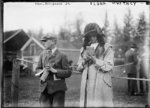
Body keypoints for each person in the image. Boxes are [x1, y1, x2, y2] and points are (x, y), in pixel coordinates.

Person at [77, 23, 114, 107]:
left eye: (94, 35)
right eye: (89, 36)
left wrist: (95, 60)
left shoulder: (107, 47)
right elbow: (78, 68)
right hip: (87, 83)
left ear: (99, 35)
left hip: (100, 83)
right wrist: (84, 61)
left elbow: (109, 65)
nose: (92, 38)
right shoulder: (83, 49)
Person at [35, 34, 72, 107]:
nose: (43, 43)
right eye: (43, 41)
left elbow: (68, 72)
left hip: (58, 89)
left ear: (53, 41)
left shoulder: (62, 55)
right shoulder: (42, 54)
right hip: (44, 89)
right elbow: (37, 69)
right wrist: (42, 72)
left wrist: (56, 71)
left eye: (45, 41)